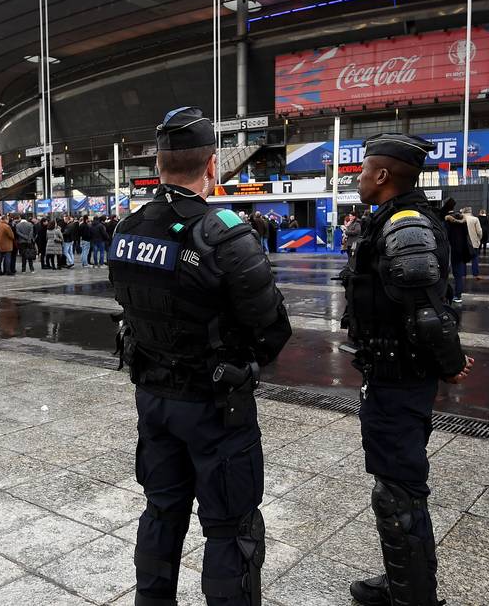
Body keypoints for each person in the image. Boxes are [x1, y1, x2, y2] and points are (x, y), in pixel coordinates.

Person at [110, 107, 291, 606]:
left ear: (160, 163)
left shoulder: (129, 228)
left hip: (153, 399)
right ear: (212, 165)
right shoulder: (225, 232)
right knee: (230, 527)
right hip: (215, 405)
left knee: (162, 511)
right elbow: (273, 327)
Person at [340, 132, 472, 606]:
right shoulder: (390, 221)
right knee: (394, 488)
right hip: (388, 374)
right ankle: (403, 584)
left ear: (382, 175)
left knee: (399, 495)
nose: (355, 178)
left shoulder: (404, 225)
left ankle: (414, 598)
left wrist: (452, 364)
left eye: (361, 170)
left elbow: (428, 313)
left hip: (400, 379)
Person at [443, 206, 471, 304]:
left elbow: (444, 236)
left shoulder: (447, 222)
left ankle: (444, 295)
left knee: (444, 275)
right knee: (458, 275)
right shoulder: (463, 222)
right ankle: (458, 295)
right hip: (460, 250)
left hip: (450, 251)